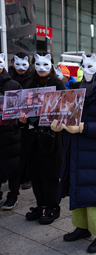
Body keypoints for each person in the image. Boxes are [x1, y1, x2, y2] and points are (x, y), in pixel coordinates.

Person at [52, 53, 96, 254]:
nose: (85, 69)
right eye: (83, 65)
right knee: (77, 188)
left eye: (90, 66)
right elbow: (65, 113)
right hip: (76, 149)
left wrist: (83, 128)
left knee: (95, 193)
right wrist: (58, 124)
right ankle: (82, 227)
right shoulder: (77, 89)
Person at [19, 52, 66, 224]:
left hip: (52, 136)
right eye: (37, 65)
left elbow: (65, 111)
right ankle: (41, 205)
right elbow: (22, 110)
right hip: (32, 136)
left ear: (52, 66)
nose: (41, 69)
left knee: (50, 173)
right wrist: (21, 119)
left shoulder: (59, 85)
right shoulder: (30, 85)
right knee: (36, 173)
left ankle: (53, 207)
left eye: (45, 65)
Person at [0, 53, 23, 210]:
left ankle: (13, 195)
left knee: (13, 166)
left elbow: (24, 108)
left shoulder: (13, 85)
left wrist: (21, 118)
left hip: (11, 133)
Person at [8, 52, 32, 190]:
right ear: (12, 63)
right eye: (18, 64)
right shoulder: (9, 77)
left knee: (27, 147)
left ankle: (27, 177)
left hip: (29, 119)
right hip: (13, 119)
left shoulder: (32, 78)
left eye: (24, 64)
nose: (21, 68)